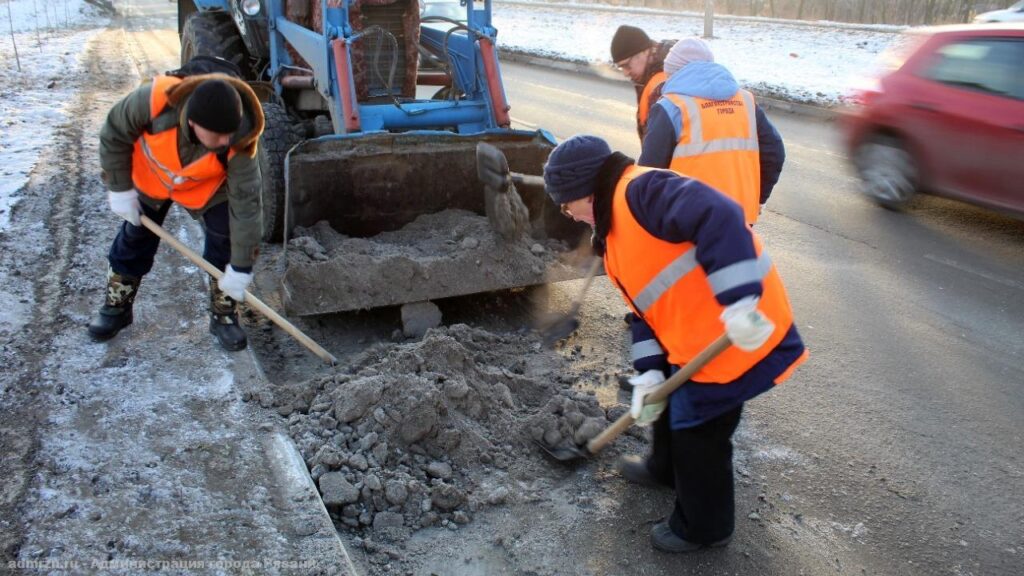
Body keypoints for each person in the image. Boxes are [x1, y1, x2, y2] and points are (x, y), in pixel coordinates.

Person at [543, 135, 808, 552]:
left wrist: (738, 301)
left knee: (698, 430)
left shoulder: (642, 191)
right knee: (668, 401)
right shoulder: (613, 241)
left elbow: (719, 214)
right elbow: (644, 312)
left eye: (565, 204)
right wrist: (649, 372)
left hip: (736, 326)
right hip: (690, 337)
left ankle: (704, 527)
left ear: (586, 193)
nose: (569, 215)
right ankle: (664, 468)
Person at [88, 72, 265, 352]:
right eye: (218, 134)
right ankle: (116, 308)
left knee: (226, 237)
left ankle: (224, 314)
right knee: (135, 238)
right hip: (153, 176)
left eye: (229, 133)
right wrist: (120, 188)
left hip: (208, 188)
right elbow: (113, 132)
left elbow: (247, 205)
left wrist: (241, 266)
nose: (225, 140)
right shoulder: (154, 101)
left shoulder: (241, 141)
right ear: (193, 122)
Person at [639, 38, 785, 225]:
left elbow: (649, 173)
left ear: (675, 73)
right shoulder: (745, 101)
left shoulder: (671, 107)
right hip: (740, 218)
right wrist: (758, 198)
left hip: (689, 222)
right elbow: (774, 152)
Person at [610, 25, 675, 142]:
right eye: (621, 67)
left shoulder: (661, 86)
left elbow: (659, 150)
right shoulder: (654, 76)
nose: (625, 73)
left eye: (627, 65)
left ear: (645, 52)